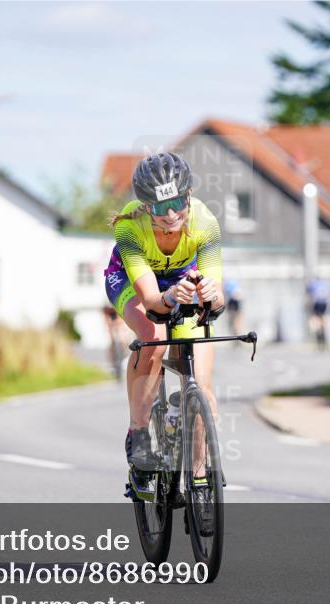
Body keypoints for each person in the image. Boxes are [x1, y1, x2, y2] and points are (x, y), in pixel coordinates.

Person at [103, 152, 224, 504]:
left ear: (187, 195)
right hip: (132, 280)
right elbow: (153, 301)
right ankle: (139, 434)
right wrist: (170, 297)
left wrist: (211, 295)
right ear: (144, 207)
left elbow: (215, 300)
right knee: (153, 339)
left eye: (176, 203)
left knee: (202, 381)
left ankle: (199, 475)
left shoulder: (205, 222)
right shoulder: (128, 227)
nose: (170, 215)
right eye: (159, 207)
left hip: (180, 278)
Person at [306, 276, 330, 349]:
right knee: (323, 317)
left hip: (317, 303)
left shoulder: (313, 284)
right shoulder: (325, 284)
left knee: (316, 319)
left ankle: (319, 329)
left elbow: (309, 294)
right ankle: (323, 328)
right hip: (324, 304)